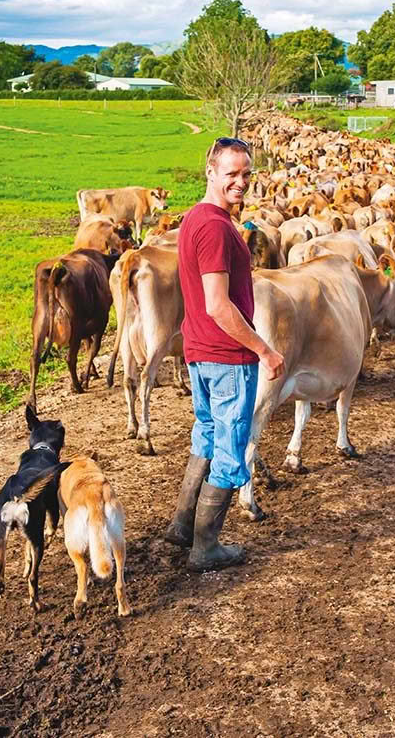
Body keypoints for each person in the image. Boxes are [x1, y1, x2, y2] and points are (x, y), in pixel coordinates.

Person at [164, 136, 284, 572]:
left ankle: (181, 525)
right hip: (226, 356)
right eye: (232, 174)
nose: (241, 182)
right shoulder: (215, 227)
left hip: (199, 350)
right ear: (211, 172)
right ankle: (205, 546)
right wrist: (264, 349)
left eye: (247, 174)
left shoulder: (195, 218)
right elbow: (218, 303)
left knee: (207, 435)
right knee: (230, 449)